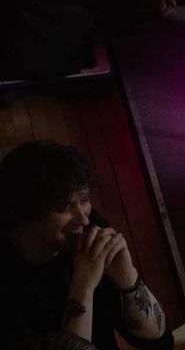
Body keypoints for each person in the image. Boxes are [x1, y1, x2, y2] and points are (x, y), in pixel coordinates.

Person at [0, 141, 172, 350]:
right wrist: (83, 285)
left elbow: (159, 342)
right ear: (25, 211)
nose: (82, 219)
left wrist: (127, 277)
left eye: (84, 199)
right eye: (64, 206)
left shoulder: (89, 230)